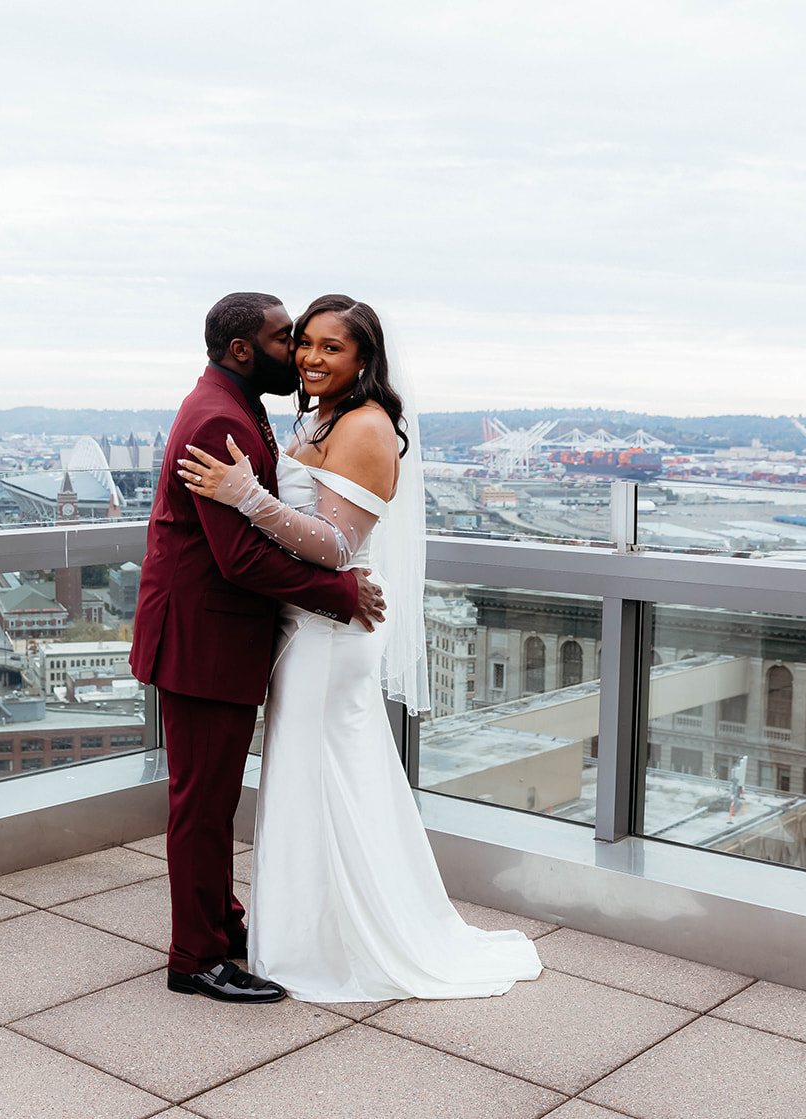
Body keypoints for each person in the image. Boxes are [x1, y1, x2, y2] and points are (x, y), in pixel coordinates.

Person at [176, 294, 542, 1001]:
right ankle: (306, 927)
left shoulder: (367, 427)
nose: (309, 357)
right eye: (303, 342)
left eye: (328, 347)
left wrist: (246, 495)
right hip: (302, 626)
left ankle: (321, 940)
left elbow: (341, 543)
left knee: (316, 775)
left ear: (365, 359)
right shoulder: (323, 417)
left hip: (324, 636)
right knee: (311, 778)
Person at [131, 292, 388, 1005]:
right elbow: (240, 557)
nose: (300, 352)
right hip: (202, 639)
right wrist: (339, 593)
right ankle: (196, 958)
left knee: (209, 799)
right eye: (288, 340)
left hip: (213, 635)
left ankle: (221, 922)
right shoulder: (218, 416)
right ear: (245, 350)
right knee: (202, 804)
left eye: (314, 342)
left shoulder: (235, 404)